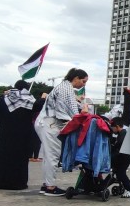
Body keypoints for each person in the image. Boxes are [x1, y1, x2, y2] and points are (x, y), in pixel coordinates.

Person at [34, 68, 89, 196]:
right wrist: (81, 113)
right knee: (52, 156)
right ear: (76, 78)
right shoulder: (66, 89)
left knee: (48, 156)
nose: (83, 84)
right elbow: (67, 110)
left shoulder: (63, 87)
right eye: (83, 81)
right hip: (50, 124)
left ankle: (47, 185)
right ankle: (50, 187)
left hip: (45, 122)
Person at [0, 81, 46, 190]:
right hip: (23, 135)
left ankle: (2, 183)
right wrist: (43, 98)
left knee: (4, 157)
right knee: (20, 159)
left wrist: (4, 95)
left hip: (5, 134)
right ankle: (19, 183)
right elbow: (38, 106)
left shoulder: (5, 100)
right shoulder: (29, 100)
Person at [109, 117, 130, 198]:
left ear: (117, 126)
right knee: (118, 172)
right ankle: (123, 187)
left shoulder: (123, 133)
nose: (112, 129)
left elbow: (119, 143)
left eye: (112, 127)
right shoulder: (121, 134)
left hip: (126, 156)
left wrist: (112, 147)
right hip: (125, 156)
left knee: (121, 173)